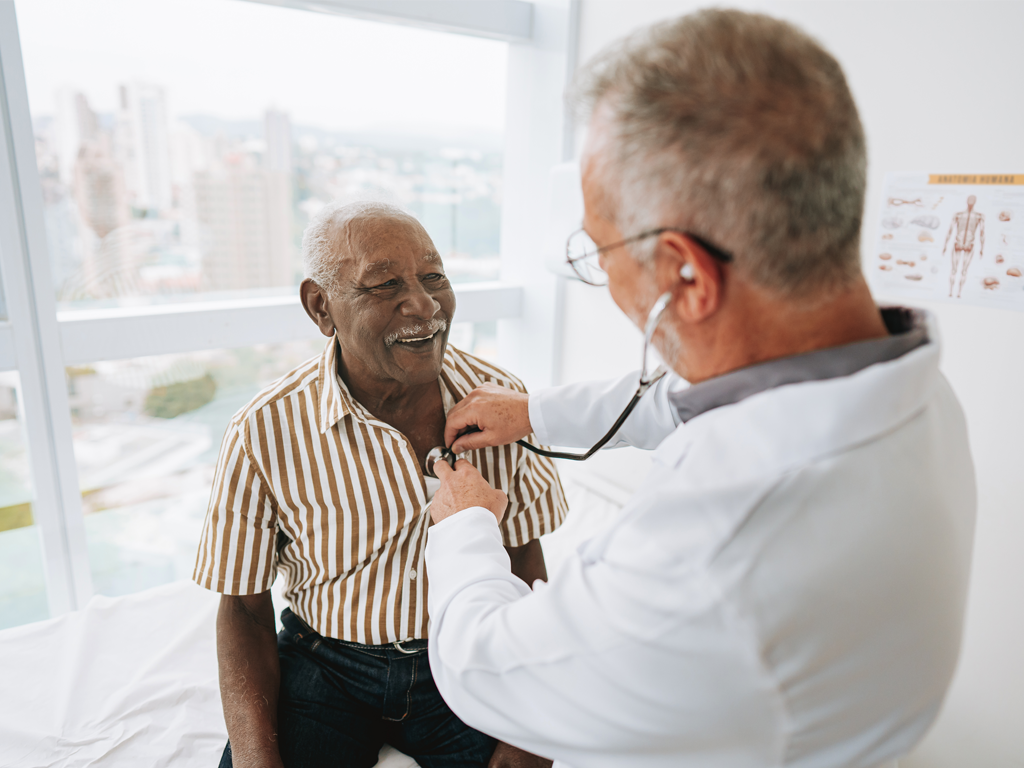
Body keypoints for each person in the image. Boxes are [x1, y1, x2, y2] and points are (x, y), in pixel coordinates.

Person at [424, 10, 976, 768]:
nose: (600, 273)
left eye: (596, 249)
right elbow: (696, 401)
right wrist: (534, 411)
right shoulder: (908, 388)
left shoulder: (716, 554)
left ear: (686, 275)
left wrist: (464, 525)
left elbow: (481, 665)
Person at [193, 201, 566, 768]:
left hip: (462, 655)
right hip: (327, 666)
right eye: (385, 283)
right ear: (321, 307)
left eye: (433, 276)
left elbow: (525, 561)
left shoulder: (501, 399)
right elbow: (243, 608)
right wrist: (254, 762)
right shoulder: (263, 429)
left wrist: (527, 736)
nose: (422, 304)